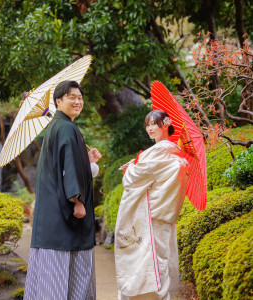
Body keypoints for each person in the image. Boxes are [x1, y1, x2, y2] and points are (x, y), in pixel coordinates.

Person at [24, 80, 101, 300]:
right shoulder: (66, 128)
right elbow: (68, 170)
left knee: (50, 277)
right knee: (64, 276)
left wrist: (86, 160)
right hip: (63, 217)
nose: (78, 101)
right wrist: (77, 201)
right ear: (58, 101)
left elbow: (66, 166)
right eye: (72, 97)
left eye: (80, 97)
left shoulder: (58, 127)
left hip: (50, 217)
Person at [115, 110, 190, 300]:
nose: (149, 128)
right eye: (147, 124)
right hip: (164, 214)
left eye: (153, 124)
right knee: (160, 259)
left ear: (165, 124)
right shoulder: (174, 154)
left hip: (150, 215)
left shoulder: (158, 150)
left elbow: (133, 180)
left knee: (146, 260)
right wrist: (136, 164)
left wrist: (131, 168)